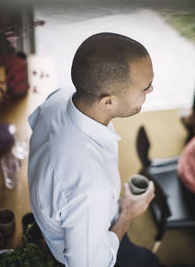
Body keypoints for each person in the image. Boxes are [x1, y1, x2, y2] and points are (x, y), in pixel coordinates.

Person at [28, 32, 158, 267]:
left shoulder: (59, 98)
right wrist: (127, 214)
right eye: (145, 87)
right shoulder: (91, 189)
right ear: (108, 102)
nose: (151, 90)